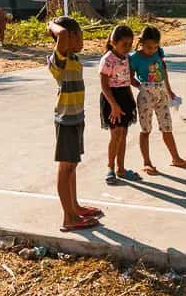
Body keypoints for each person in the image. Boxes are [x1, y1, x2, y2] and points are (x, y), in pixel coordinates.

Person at [47, 16, 102, 232]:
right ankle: (68, 217)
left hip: (76, 117)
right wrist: (50, 24)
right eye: (78, 35)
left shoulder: (74, 58)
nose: (82, 40)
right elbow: (59, 34)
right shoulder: (57, 60)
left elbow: (63, 35)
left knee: (72, 166)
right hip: (66, 120)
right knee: (65, 167)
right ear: (67, 37)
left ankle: (75, 207)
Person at [129, 26, 186, 175]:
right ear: (141, 42)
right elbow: (130, 77)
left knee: (167, 127)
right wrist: (141, 87)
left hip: (162, 94)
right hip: (146, 96)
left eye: (154, 47)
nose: (151, 50)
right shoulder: (134, 58)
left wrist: (169, 91)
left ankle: (176, 158)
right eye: (148, 47)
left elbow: (163, 72)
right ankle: (147, 162)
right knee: (145, 130)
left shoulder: (158, 53)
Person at [99, 25, 139, 184]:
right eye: (124, 44)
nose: (128, 48)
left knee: (123, 134)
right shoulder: (108, 59)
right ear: (113, 42)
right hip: (111, 98)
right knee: (115, 134)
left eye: (130, 44)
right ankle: (110, 168)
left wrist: (145, 87)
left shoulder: (127, 58)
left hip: (125, 96)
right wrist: (114, 105)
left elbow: (129, 80)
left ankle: (121, 169)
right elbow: (104, 85)